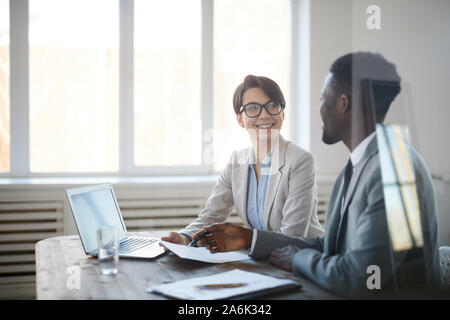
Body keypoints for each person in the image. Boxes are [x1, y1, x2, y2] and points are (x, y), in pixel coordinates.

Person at [197, 52, 440, 298]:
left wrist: (299, 258)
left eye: (324, 98)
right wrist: (250, 238)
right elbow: (330, 247)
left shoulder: (394, 172)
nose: (319, 108)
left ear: (343, 103)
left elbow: (361, 277)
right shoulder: (358, 164)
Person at [162, 75, 324, 246]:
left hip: (302, 260)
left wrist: (245, 241)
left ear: (282, 113)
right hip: (262, 260)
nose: (265, 115)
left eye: (273, 106)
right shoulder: (236, 162)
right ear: (240, 119)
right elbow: (211, 216)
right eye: (253, 108)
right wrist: (185, 237)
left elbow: (293, 235)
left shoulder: (300, 161)